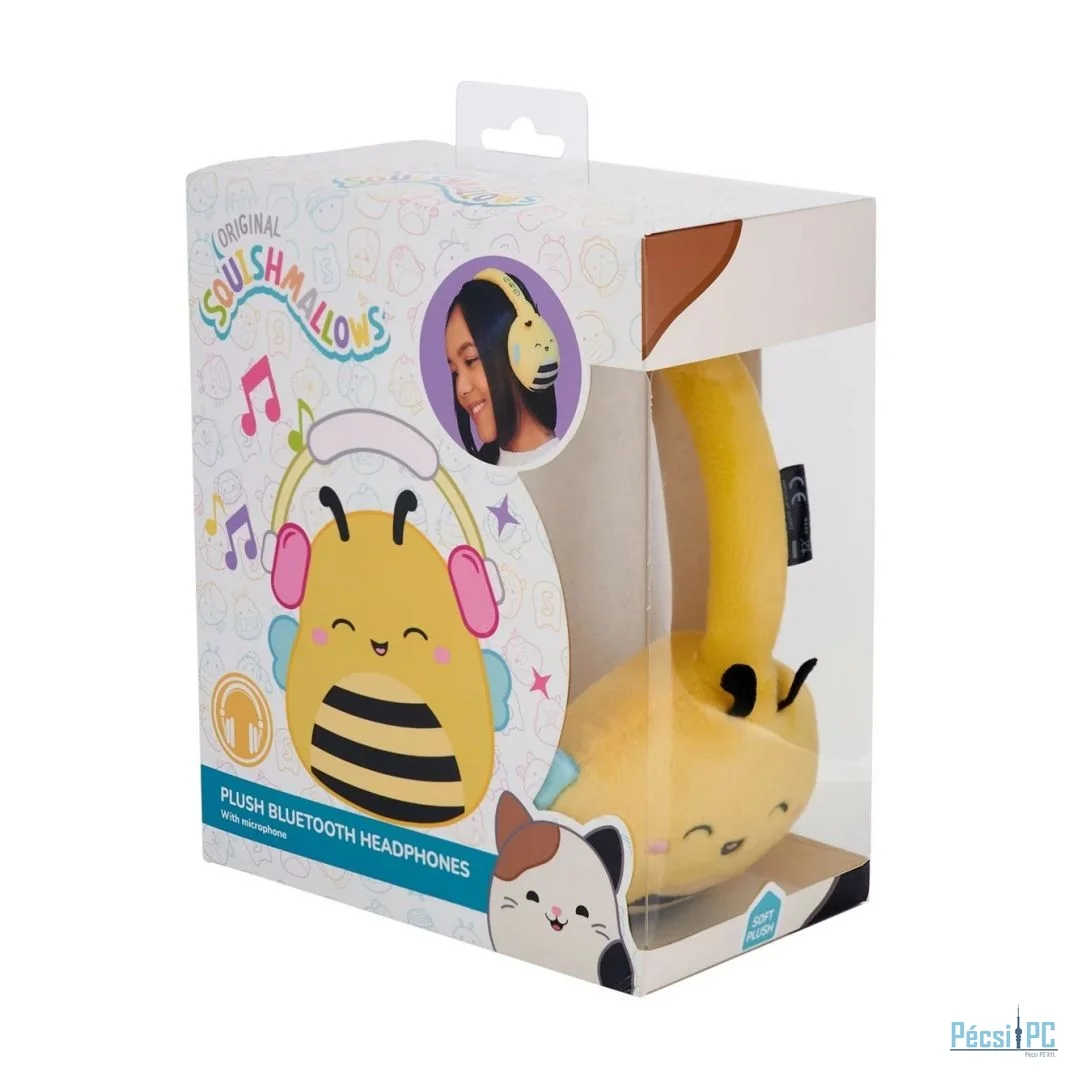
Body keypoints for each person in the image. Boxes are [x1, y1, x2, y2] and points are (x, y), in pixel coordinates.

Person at [444, 274, 559, 467]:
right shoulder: (478, 473)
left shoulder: (571, 470)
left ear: (520, 353)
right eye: (455, 372)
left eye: (471, 360)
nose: (461, 389)